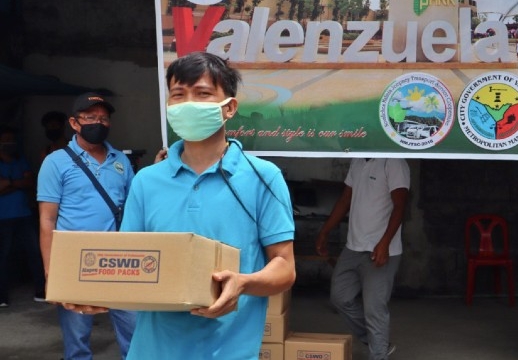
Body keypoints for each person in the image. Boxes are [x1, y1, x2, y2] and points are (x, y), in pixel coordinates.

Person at [116, 52, 295, 359]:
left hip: (229, 352)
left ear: (230, 108)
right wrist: (92, 294)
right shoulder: (146, 181)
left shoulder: (263, 178)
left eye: (202, 94)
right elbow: (126, 264)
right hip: (152, 351)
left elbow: (285, 267)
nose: (189, 104)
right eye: (178, 95)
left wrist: (242, 283)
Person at [37, 93, 136, 360]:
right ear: (74, 123)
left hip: (120, 260)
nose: (98, 123)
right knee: (77, 339)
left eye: (103, 118)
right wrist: (51, 271)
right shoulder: (56, 162)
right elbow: (47, 219)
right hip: (75, 261)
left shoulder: (121, 161)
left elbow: (133, 207)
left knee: (135, 332)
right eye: (90, 117)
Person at [316, 158, 410, 360]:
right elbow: (345, 198)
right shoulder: (357, 159)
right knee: (340, 297)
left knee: (374, 309)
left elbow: (400, 206)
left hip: (381, 250)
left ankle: (378, 354)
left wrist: (384, 243)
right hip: (353, 246)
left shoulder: (393, 162)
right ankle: (378, 343)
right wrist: (325, 231)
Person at [0, 127, 46, 307]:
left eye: (12, 138)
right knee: (3, 256)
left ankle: (41, 290)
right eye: (6, 138)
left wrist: (8, 183)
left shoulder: (21, 160)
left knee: (35, 252)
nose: (10, 142)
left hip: (24, 214)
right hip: (2, 217)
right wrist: (18, 184)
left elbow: (29, 182)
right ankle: (2, 295)